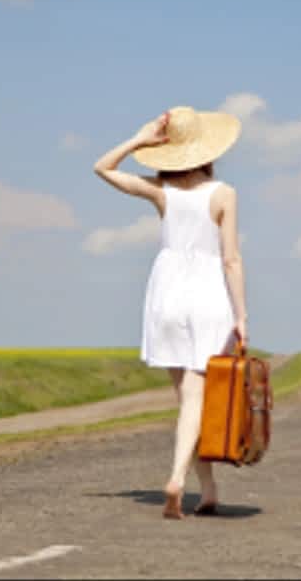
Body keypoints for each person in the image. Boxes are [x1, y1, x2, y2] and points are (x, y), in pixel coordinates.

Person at [94, 106, 248, 520]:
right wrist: (242, 315)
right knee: (197, 398)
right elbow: (231, 259)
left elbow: (102, 168)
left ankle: (209, 488)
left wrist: (138, 139)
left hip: (166, 293)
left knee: (189, 401)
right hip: (207, 295)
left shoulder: (162, 193)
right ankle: (178, 478)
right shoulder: (223, 193)